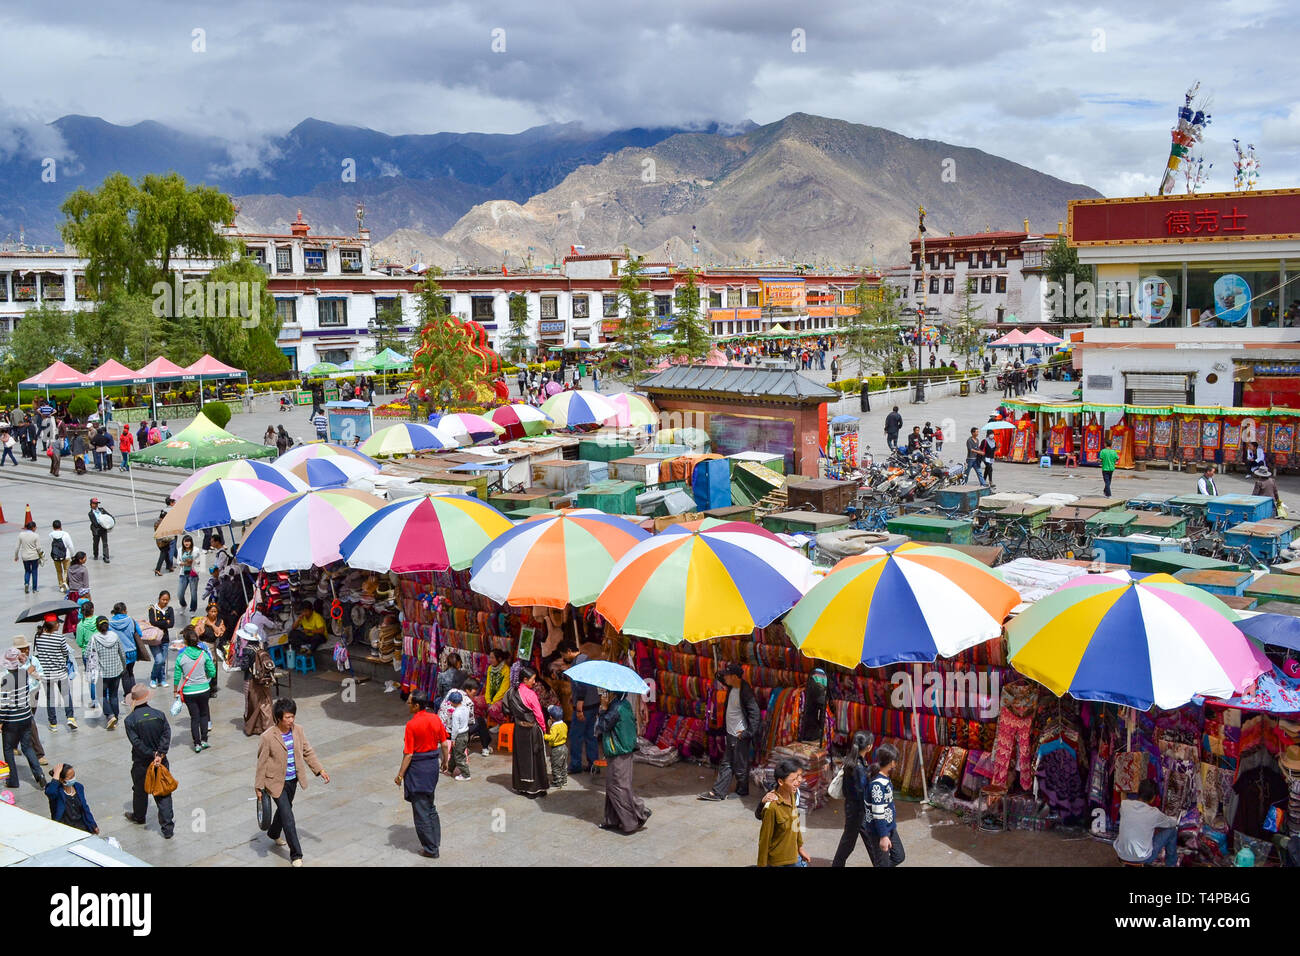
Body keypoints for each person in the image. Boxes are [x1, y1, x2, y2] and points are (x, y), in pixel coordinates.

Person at [256, 697, 329, 867]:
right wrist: (259, 787)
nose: (291, 720)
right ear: (279, 718)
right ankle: (296, 854)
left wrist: (320, 770)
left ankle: (273, 833)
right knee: (288, 817)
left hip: (292, 781)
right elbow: (262, 763)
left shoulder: (298, 731)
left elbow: (307, 751)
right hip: (275, 782)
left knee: (284, 810)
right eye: (287, 717)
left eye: (293, 716)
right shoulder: (267, 737)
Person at [396, 690, 448, 859]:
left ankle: (431, 849)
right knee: (430, 806)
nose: (407, 704)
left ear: (417, 705)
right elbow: (444, 743)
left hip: (418, 770)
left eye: (410, 702)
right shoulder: (435, 718)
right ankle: (436, 840)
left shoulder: (411, 725)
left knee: (421, 811)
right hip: (432, 766)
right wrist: (445, 761)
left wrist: (400, 774)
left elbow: (409, 754)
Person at [698, 663, 761, 801]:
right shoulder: (732, 687)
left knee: (738, 764)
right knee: (730, 762)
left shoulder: (745, 691)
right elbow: (719, 676)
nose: (724, 677)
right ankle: (720, 792)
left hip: (739, 734)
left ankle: (737, 791)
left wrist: (747, 733)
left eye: (728, 675)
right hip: (731, 733)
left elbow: (755, 714)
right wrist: (722, 673)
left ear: (734, 677)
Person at [593, 687, 651, 833]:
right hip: (620, 750)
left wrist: (602, 709)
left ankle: (638, 814)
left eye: (606, 692)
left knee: (618, 786)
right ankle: (612, 820)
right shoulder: (622, 704)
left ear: (612, 694)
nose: (603, 694)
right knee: (613, 785)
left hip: (619, 751)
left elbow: (603, 726)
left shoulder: (616, 708)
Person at [123, 684, 174, 839]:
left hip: (141, 763)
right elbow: (166, 733)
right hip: (160, 761)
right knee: (163, 793)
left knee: (139, 791)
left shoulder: (130, 720)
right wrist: (160, 753)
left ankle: (139, 817)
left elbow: (136, 743)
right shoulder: (159, 715)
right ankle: (167, 829)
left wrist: (151, 754)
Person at [1, 636, 45, 788]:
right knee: (27, 747)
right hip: (26, 716)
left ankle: (13, 780)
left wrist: (0, 722)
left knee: (7, 749)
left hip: (11, 721)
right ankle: (39, 774)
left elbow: (4, 704)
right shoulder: (24, 674)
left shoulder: (5, 679)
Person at [831, 730, 876, 867]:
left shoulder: (851, 761)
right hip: (857, 810)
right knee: (849, 842)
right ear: (869, 747)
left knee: (868, 839)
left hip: (853, 807)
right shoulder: (859, 767)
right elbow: (862, 792)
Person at [505, 664, 550, 798]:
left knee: (521, 757)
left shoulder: (511, 692)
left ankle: (521, 787)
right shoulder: (530, 695)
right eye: (533, 679)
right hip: (532, 730)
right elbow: (539, 715)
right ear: (525, 680)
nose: (534, 682)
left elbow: (506, 709)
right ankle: (535, 788)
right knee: (535, 758)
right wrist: (543, 728)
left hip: (519, 729)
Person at [1114, 779, 1180, 866]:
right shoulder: (1154, 813)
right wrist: (1176, 818)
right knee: (1172, 830)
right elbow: (1172, 823)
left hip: (1121, 855)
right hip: (1143, 858)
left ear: (1138, 792)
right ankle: (1171, 864)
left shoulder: (1124, 805)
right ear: (1153, 798)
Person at [756, 758, 809, 867]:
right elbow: (764, 841)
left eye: (800, 776)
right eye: (794, 779)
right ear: (780, 782)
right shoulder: (772, 807)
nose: (798, 781)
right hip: (777, 862)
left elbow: (796, 824)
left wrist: (800, 847)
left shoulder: (792, 795)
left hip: (794, 856)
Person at [174, 625, 216, 753]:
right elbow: (212, 672)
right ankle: (204, 740)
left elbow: (176, 676)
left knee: (194, 717)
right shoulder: (203, 654)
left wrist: (175, 690)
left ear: (185, 642)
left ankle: (196, 743)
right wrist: (204, 676)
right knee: (204, 714)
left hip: (189, 692)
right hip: (203, 689)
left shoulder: (181, 656)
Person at [562, 645, 600, 775]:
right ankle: (594, 764)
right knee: (591, 735)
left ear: (568, 651)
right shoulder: (586, 659)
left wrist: (579, 707)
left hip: (585, 706)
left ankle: (576, 765)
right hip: (594, 703)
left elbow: (581, 686)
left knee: (576, 736)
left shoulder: (578, 663)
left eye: (563, 655)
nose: (563, 658)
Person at [33, 614, 75, 731]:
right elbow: (65, 652)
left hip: (46, 674)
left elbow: (37, 651)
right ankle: (70, 717)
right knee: (66, 695)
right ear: (54, 625)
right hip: (61, 672)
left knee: (50, 699)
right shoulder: (60, 638)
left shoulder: (38, 636)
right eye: (58, 623)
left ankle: (53, 724)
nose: (59, 624)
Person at [867, 743, 905, 867]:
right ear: (892, 763)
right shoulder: (877, 784)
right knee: (882, 863)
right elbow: (878, 813)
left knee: (899, 856)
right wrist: (883, 836)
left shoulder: (885, 779)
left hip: (889, 827)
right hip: (879, 831)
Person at [90, 615, 127, 729]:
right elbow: (122, 653)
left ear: (97, 626)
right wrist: (124, 667)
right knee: (114, 695)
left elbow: (88, 653)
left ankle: (110, 715)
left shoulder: (95, 638)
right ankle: (115, 715)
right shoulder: (115, 636)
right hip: (116, 670)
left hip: (103, 673)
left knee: (101, 695)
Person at [45, 763, 99, 834]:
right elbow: (50, 792)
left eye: (73, 775)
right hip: (64, 829)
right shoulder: (57, 792)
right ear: (61, 780)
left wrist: (93, 824)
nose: (73, 778)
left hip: (81, 826)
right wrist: (56, 774)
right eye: (70, 777)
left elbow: (85, 808)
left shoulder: (79, 787)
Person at [241, 626, 276, 736]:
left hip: (251, 679)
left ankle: (253, 727)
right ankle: (266, 725)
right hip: (263, 679)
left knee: (252, 703)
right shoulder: (262, 647)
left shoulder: (247, 650)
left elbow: (244, 666)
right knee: (264, 702)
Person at [109, 602, 143, 695]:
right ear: (124, 611)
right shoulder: (131, 620)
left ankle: (128, 696)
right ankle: (135, 694)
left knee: (124, 675)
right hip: (132, 651)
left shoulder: (110, 623)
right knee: (131, 673)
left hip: (119, 653)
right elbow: (139, 634)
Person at [73, 601, 99, 711]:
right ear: (92, 609)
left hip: (87, 654)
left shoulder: (80, 625)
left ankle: (94, 700)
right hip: (100, 650)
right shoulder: (99, 620)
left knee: (91, 678)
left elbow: (79, 642)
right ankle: (105, 697)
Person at [146, 591, 175, 687]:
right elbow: (153, 622)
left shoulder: (170, 609)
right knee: (159, 660)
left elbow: (171, 624)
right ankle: (153, 678)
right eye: (163, 599)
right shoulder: (152, 609)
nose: (165, 602)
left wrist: (161, 622)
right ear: (159, 598)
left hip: (165, 638)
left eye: (167, 600)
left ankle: (162, 679)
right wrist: (165, 622)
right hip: (154, 639)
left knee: (163, 660)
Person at [443, 690, 472, 781]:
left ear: (453, 702)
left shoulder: (456, 713)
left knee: (459, 756)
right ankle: (450, 770)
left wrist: (453, 739)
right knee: (455, 753)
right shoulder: (466, 709)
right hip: (465, 734)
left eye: (450, 701)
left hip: (458, 736)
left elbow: (455, 728)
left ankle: (466, 774)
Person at [799, 667, 828, 743]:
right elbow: (823, 709)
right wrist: (821, 726)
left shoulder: (801, 687)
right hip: (811, 732)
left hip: (800, 730)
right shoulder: (817, 688)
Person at [543, 704, 569, 789]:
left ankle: (557, 782)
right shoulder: (564, 724)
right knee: (563, 765)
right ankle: (564, 780)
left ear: (551, 717)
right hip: (564, 747)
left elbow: (552, 737)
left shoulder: (554, 727)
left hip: (557, 749)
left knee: (555, 766)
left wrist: (545, 736)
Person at [14, 519, 42, 593]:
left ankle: (26, 583)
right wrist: (41, 556)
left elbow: (17, 547)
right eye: (35, 527)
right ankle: (34, 589)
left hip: (25, 556)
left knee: (27, 571)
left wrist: (16, 556)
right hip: (34, 556)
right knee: (34, 571)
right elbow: (38, 548)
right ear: (33, 528)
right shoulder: (36, 536)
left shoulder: (21, 535)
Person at [48, 520, 74, 591]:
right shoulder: (65, 534)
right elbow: (70, 546)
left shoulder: (51, 535)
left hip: (55, 556)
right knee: (66, 570)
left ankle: (61, 586)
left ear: (53, 527)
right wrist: (72, 555)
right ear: (61, 526)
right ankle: (65, 583)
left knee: (59, 571)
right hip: (66, 556)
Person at [177, 535, 199, 612]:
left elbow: (201, 561)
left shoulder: (196, 550)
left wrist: (192, 562)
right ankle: (183, 604)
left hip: (193, 574)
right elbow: (178, 561)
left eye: (188, 541)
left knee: (193, 593)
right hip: (183, 574)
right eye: (185, 541)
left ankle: (193, 609)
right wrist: (183, 563)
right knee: (180, 594)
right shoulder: (180, 550)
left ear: (191, 542)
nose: (187, 543)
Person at [88, 498, 112, 564]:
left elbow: (109, 515)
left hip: (103, 529)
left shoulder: (102, 510)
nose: (96, 505)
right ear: (91, 504)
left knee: (105, 543)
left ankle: (106, 557)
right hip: (96, 530)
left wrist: (111, 521)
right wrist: (102, 522)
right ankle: (95, 554)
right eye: (94, 504)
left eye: (97, 504)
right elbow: (95, 523)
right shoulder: (90, 514)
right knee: (96, 543)